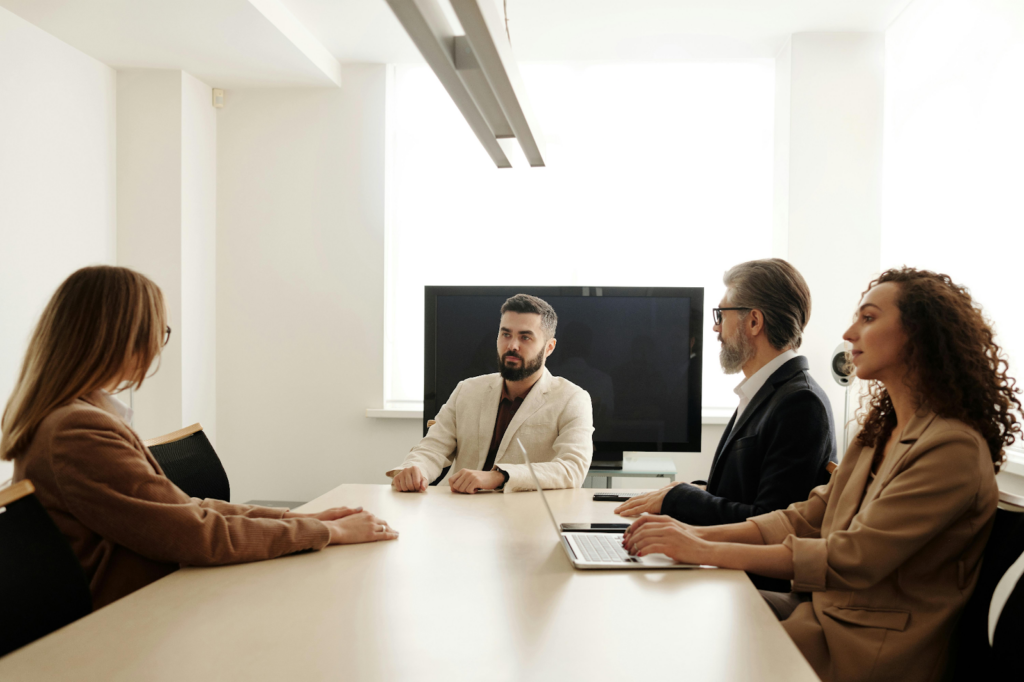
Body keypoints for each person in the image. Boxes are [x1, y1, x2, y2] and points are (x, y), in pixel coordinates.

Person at [623, 267, 1015, 682]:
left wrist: (701, 549)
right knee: (663, 615)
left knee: (679, 640)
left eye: (867, 318)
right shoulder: (879, 433)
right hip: (824, 618)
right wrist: (689, 535)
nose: (848, 333)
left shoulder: (951, 448)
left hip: (869, 649)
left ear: (919, 334)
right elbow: (804, 518)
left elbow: (851, 558)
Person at [0, 266, 398, 610]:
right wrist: (326, 532)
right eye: (159, 330)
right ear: (121, 335)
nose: (158, 345)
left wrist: (298, 519)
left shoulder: (77, 416)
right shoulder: (76, 430)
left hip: (157, 596)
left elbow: (183, 510)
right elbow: (192, 533)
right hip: (135, 616)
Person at [615, 259, 836, 589]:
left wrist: (680, 499)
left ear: (754, 321)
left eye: (721, 315)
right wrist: (678, 493)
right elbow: (739, 489)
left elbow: (768, 521)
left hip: (748, 589)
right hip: (727, 576)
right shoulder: (765, 390)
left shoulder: (800, 403)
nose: (716, 328)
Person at [389, 294, 593, 494]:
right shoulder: (467, 390)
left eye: (525, 337)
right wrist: (415, 470)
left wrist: (500, 476)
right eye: (506, 334)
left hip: (525, 518)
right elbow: (432, 448)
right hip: (459, 512)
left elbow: (572, 468)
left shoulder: (573, 398)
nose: (512, 345)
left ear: (549, 347)